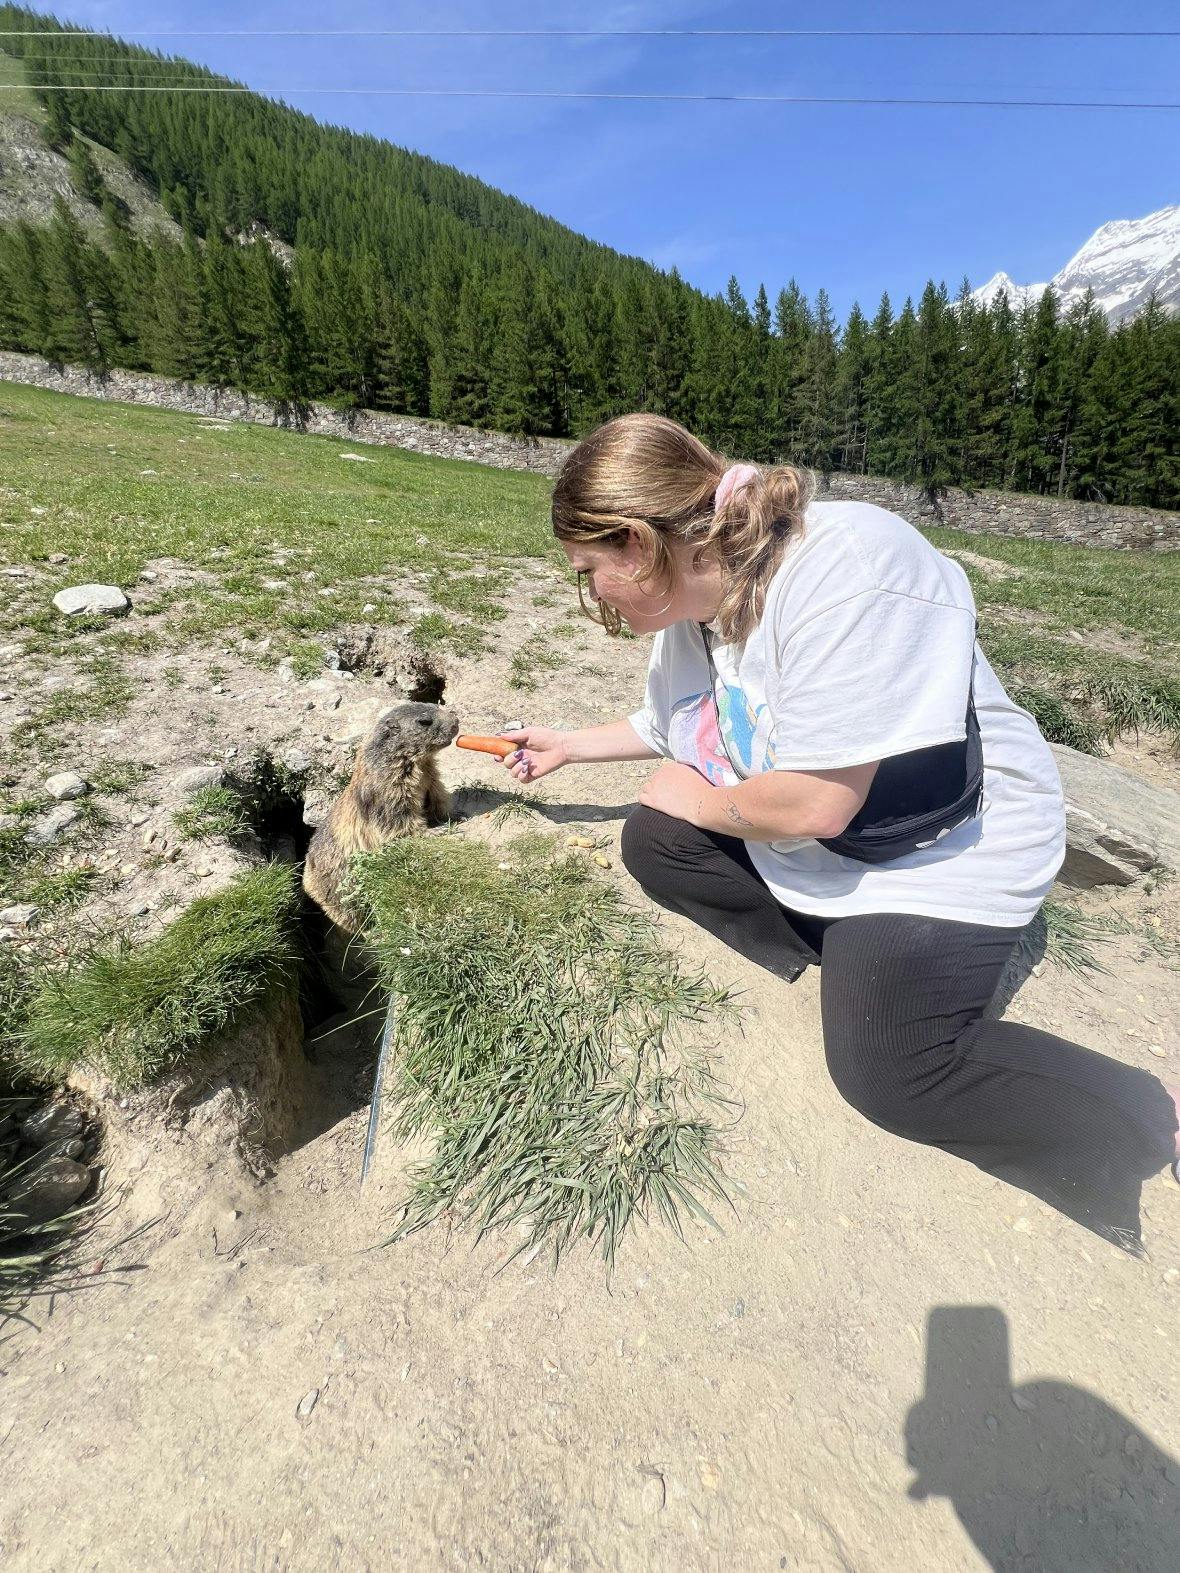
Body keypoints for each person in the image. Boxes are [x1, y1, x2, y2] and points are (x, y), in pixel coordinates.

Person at [498, 414, 1178, 1248]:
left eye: (588, 572)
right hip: (841, 842)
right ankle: (849, 956)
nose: (591, 596)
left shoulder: (847, 566)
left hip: (947, 847)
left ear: (637, 545)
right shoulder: (693, 609)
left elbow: (819, 802)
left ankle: (1141, 1114)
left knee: (889, 1074)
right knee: (652, 839)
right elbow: (673, 723)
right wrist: (570, 746)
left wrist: (699, 799)